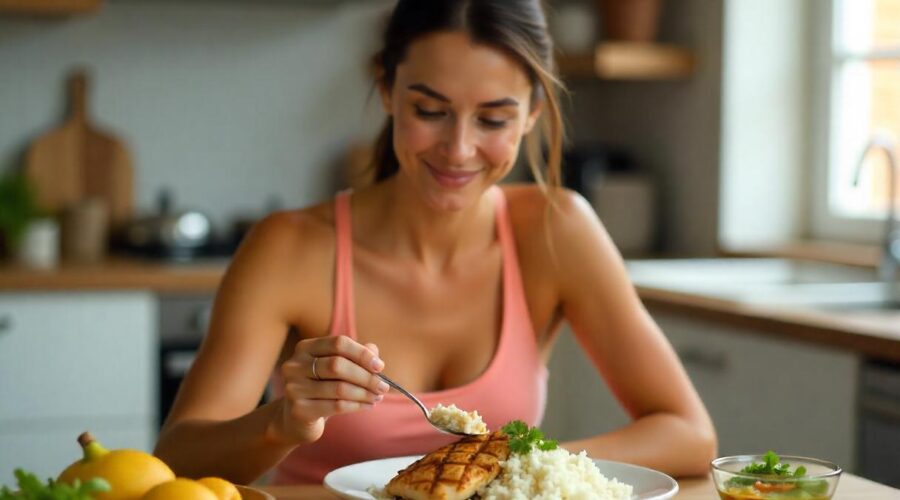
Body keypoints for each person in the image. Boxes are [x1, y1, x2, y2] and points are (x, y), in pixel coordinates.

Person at [154, 0, 717, 486]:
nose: (458, 149)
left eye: (493, 119)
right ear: (387, 89)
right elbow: (175, 462)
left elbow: (689, 434)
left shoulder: (556, 230)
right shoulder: (289, 247)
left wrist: (518, 463)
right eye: (430, 111)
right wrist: (282, 423)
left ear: (533, 115)